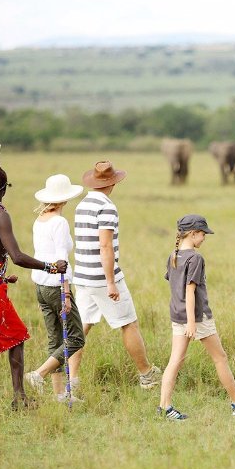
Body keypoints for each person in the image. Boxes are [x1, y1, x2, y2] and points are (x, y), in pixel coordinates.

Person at [0, 150, 67, 413]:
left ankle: (17, 398)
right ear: (2, 189)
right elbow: (16, 256)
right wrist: (50, 266)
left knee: (11, 339)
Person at [158, 214, 235, 420]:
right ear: (192, 234)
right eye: (202, 234)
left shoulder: (173, 256)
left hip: (177, 315)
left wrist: (184, 318)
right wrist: (192, 322)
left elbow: (175, 288)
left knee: (175, 360)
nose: (204, 238)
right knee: (220, 358)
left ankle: (165, 407)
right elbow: (190, 291)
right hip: (197, 318)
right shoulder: (195, 258)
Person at [74, 161, 160, 389]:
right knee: (128, 324)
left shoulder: (82, 205)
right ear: (112, 183)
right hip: (102, 277)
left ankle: (70, 381)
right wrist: (111, 282)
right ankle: (146, 374)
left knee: (80, 327)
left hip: (82, 276)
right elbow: (105, 246)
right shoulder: (107, 207)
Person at [24, 174, 86, 403]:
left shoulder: (40, 219)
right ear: (65, 199)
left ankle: (59, 394)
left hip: (40, 286)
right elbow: (61, 260)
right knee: (76, 338)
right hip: (56, 287)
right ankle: (38, 374)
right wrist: (66, 292)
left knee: (56, 340)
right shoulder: (59, 222)